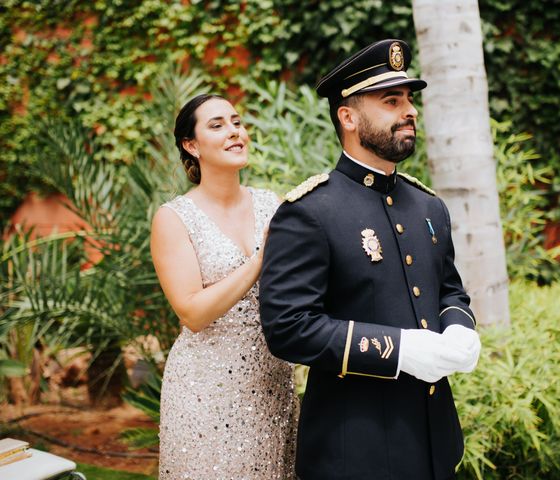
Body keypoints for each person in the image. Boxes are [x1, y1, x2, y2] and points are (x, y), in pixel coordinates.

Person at [259, 39, 481, 480]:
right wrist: (398, 350)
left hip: (435, 442)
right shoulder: (309, 211)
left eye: (410, 99)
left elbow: (450, 290)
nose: (410, 110)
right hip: (354, 450)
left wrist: (460, 327)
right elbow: (288, 327)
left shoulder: (428, 207)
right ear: (348, 116)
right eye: (391, 100)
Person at [150, 93, 297, 479]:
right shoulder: (174, 218)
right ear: (191, 145)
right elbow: (192, 313)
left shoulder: (273, 205)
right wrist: (259, 261)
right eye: (217, 125)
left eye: (236, 122)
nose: (234, 132)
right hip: (205, 390)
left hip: (273, 381)